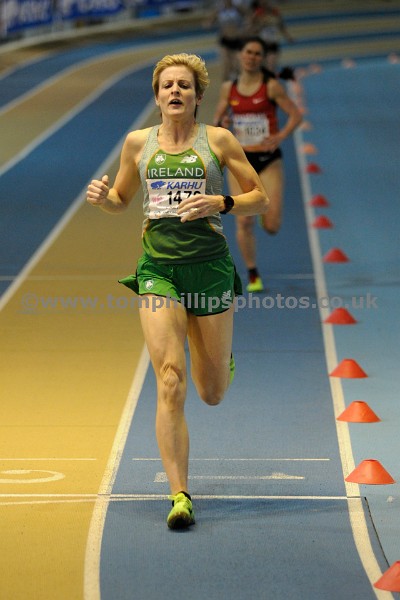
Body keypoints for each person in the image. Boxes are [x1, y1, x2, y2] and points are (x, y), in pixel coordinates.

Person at [86, 53, 269, 529]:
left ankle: (220, 360)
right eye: (167, 85)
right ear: (157, 95)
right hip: (158, 271)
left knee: (211, 392)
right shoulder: (138, 143)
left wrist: (222, 201)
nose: (174, 92)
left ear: (197, 96)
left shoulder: (219, 140)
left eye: (183, 86)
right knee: (170, 378)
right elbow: (121, 199)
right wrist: (104, 200)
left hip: (208, 270)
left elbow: (259, 198)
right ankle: (180, 495)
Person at [213, 37, 302, 292]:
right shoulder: (229, 88)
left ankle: (264, 213)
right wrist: (223, 124)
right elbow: (217, 121)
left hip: (268, 160)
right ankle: (253, 274)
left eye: (257, 54)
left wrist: (280, 136)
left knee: (272, 226)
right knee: (243, 221)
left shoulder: (271, 86)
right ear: (240, 55)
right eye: (248, 52)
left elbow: (295, 115)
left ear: (262, 59)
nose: (252, 57)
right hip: (240, 161)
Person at [245, 0, 295, 74]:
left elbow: (281, 26)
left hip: (273, 44)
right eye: (263, 2)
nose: (266, 4)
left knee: (271, 68)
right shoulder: (257, 14)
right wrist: (260, 26)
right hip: (262, 45)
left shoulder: (275, 13)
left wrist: (288, 37)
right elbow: (250, 30)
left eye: (267, 2)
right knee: (262, 69)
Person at [205, 0, 247, 81]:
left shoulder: (238, 8)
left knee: (237, 67)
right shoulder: (219, 10)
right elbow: (208, 23)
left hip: (237, 40)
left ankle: (237, 85)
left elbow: (249, 16)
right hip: (224, 41)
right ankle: (225, 86)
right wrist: (209, 23)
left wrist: (244, 29)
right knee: (226, 68)